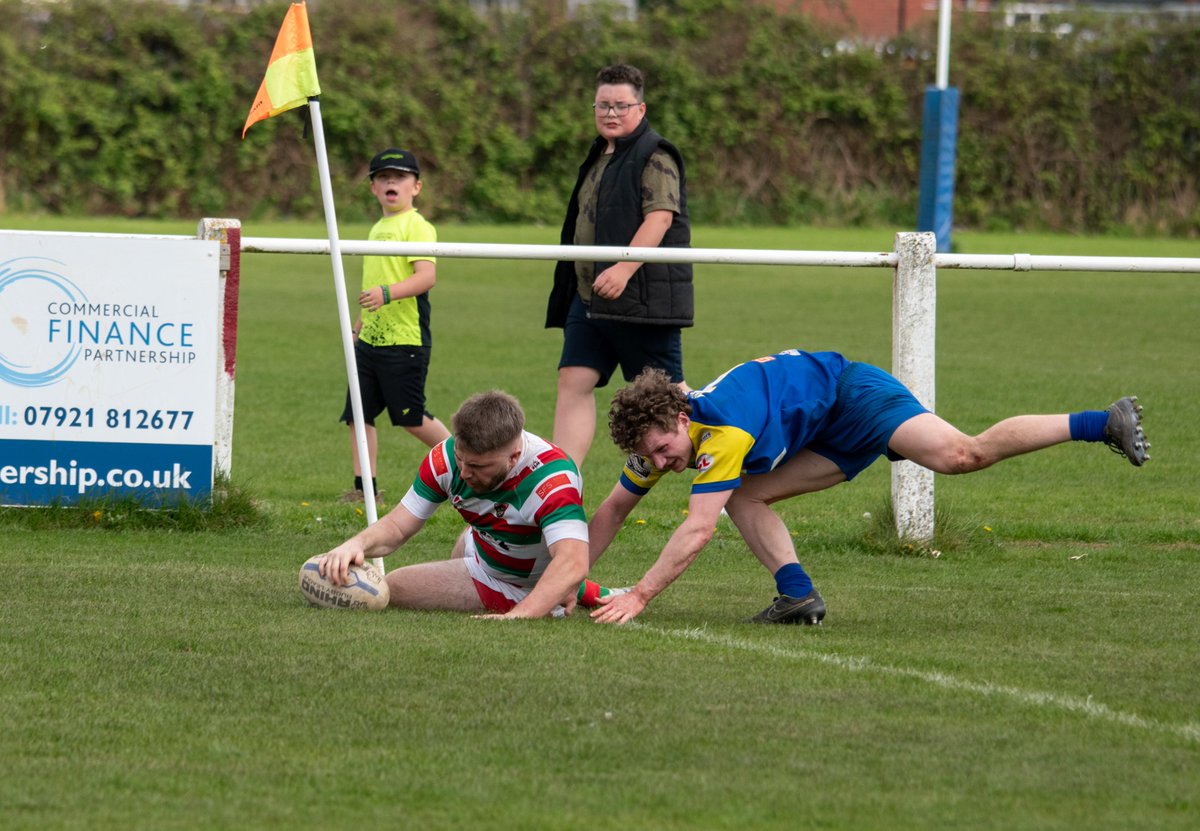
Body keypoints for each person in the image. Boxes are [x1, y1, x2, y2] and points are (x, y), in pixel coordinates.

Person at [586, 348, 1151, 626]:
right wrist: (566, 580)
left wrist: (637, 596)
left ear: (680, 419)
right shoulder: (663, 436)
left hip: (852, 394)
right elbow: (612, 511)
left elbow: (697, 528)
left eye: (663, 450)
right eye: (649, 456)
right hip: (820, 425)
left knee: (961, 455)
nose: (662, 463)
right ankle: (798, 596)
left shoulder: (721, 436)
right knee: (746, 495)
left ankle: (1103, 422)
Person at [319, 390, 625, 619]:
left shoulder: (553, 480)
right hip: (484, 551)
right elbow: (399, 526)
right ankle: (583, 593)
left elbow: (572, 561)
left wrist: (521, 615)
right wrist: (354, 545)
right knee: (465, 538)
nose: (464, 472)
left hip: (519, 579)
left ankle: (545, 598)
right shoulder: (445, 457)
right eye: (461, 459)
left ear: (514, 457)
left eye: (478, 466)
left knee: (393, 587)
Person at [545, 63, 693, 466]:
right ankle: (560, 486)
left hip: (640, 301)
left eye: (621, 106)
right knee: (573, 381)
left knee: (672, 396)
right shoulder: (599, 153)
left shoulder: (655, 154)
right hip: (589, 297)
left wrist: (624, 268)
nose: (611, 113)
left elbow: (660, 218)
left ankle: (727, 476)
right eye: (603, 105)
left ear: (640, 110)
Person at [340, 147, 450, 503]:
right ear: (373, 188)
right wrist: (363, 319)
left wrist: (386, 294)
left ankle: (470, 463)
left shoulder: (416, 225)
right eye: (383, 177)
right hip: (370, 338)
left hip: (404, 339)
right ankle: (365, 491)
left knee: (411, 418)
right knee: (359, 413)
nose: (391, 183)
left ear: (416, 186)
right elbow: (377, 278)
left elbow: (426, 277)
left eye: (400, 177)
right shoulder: (377, 227)